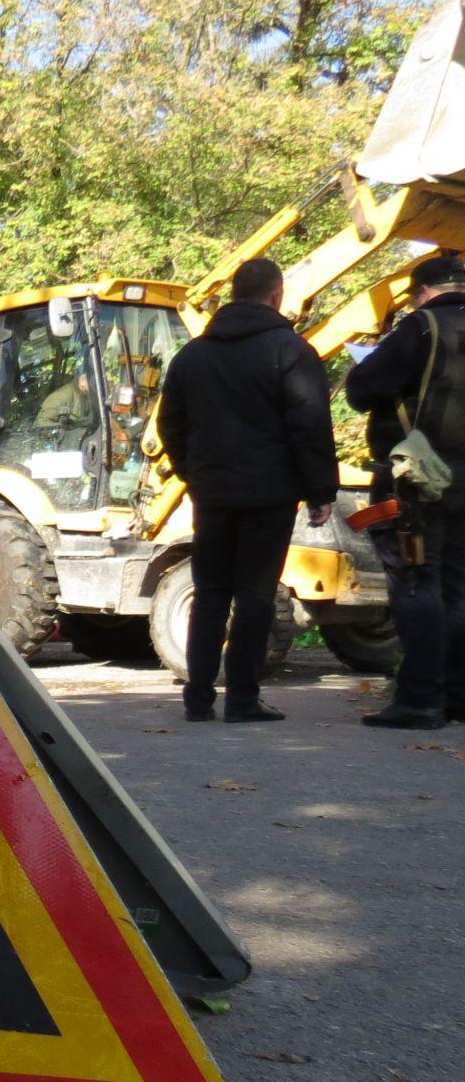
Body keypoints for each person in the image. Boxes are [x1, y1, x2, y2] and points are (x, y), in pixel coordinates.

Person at [159, 257, 336, 723]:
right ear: (276, 294)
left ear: (234, 294)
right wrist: (321, 491)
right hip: (270, 495)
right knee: (255, 595)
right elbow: (310, 425)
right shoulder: (291, 350)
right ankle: (241, 699)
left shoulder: (192, 356)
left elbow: (169, 425)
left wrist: (192, 473)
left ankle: (197, 699)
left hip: (212, 493)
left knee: (210, 592)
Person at [344, 252, 465, 729]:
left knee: (417, 584)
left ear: (421, 292)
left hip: (416, 482)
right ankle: (456, 694)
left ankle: (418, 700)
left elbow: (360, 390)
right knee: (458, 586)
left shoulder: (420, 328)